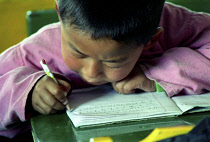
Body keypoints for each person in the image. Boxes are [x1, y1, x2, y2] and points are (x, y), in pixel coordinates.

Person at [0, 0, 210, 139]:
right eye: (79, 54)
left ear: (151, 40)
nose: (91, 72)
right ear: (60, 14)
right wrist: (27, 91)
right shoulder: (34, 51)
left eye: (113, 62)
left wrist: (154, 72)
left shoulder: (177, 24)